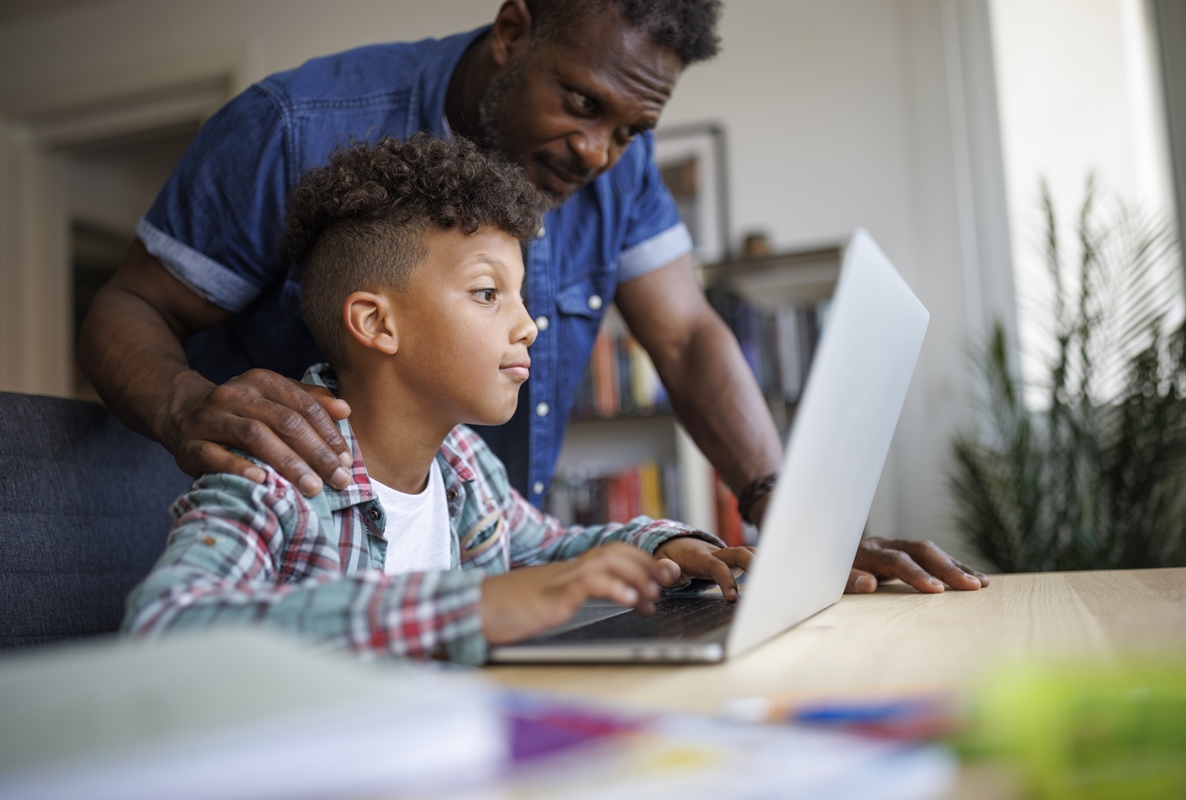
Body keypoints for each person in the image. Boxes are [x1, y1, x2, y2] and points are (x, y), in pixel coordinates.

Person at [83, 0, 988, 595]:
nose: (598, 154)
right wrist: (184, 402)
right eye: (580, 103)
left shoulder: (467, 480)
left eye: (632, 130)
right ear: (513, 32)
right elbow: (131, 305)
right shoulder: (292, 128)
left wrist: (782, 513)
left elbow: (685, 338)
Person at [122, 135, 755, 662]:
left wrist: (667, 548)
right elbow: (168, 626)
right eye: (487, 294)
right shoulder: (276, 471)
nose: (528, 325)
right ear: (377, 324)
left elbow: (550, 550)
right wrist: (474, 606)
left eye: (521, 296)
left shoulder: (462, 463)